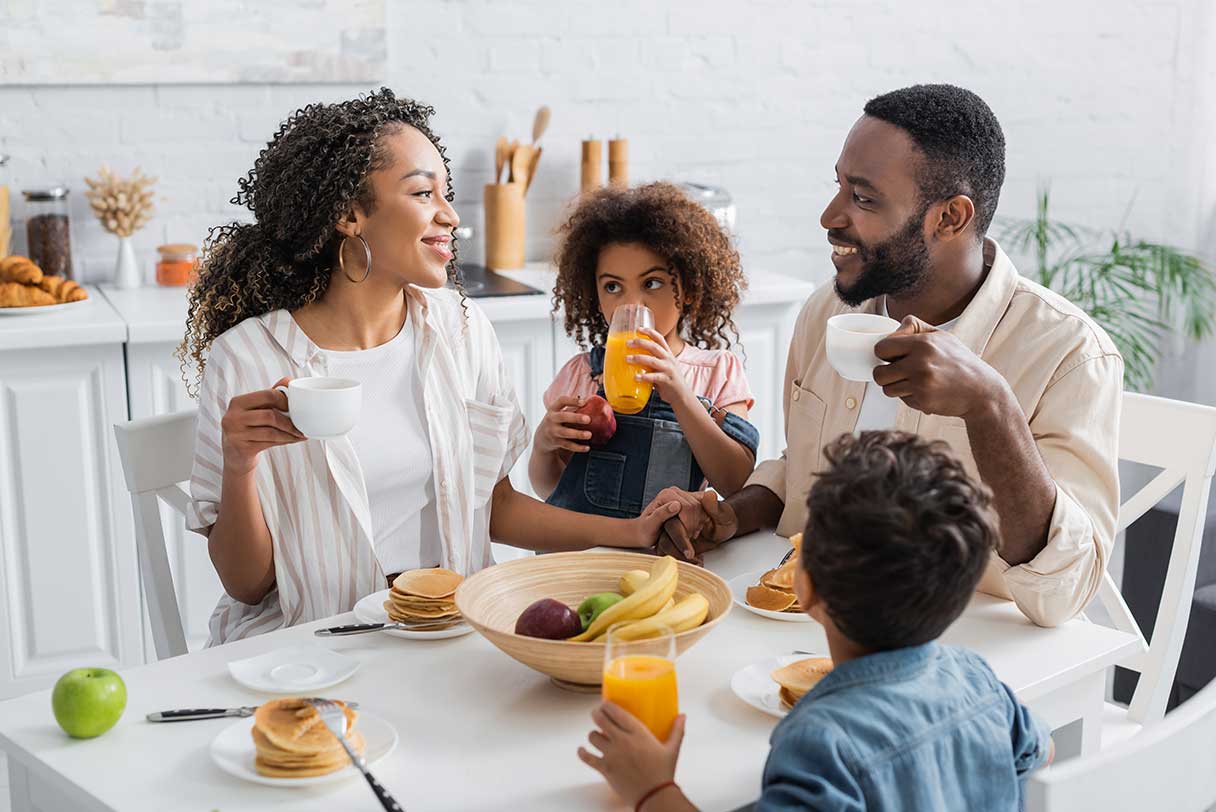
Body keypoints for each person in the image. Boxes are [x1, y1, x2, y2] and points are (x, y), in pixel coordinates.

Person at [179, 89, 678, 644]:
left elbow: (496, 506)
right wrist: (239, 462)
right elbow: (247, 585)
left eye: (447, 193)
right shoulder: (246, 359)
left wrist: (635, 532)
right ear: (348, 215)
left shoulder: (462, 331)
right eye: (422, 193)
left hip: (451, 631)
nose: (449, 216)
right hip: (311, 644)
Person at [653, 84, 1122, 627]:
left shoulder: (1068, 354)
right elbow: (800, 470)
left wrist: (989, 407)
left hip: (971, 654)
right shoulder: (828, 311)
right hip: (816, 630)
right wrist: (730, 517)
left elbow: (1065, 590)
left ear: (949, 218)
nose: (830, 216)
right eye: (838, 187)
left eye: (864, 198)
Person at [581, 431, 1054, 812]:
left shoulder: (821, 744)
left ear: (804, 587)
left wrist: (652, 791)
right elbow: (1041, 752)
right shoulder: (979, 682)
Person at [529, 182, 759, 517]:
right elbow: (552, 489)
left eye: (652, 283)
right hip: (588, 556)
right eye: (612, 287)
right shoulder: (582, 375)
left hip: (667, 557)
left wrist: (681, 395)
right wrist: (543, 446)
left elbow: (735, 481)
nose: (632, 303)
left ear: (690, 288)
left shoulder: (717, 372)